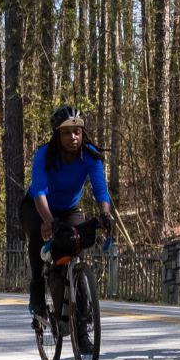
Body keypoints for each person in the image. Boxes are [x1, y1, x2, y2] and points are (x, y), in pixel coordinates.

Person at [22, 106, 113, 332]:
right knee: (38, 238)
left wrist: (105, 213)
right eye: (66, 132)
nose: (73, 137)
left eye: (77, 131)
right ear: (57, 134)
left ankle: (81, 329)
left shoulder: (90, 155)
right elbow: (39, 191)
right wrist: (48, 221)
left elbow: (100, 189)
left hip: (70, 209)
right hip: (37, 206)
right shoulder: (44, 154)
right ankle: (38, 297)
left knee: (74, 249)